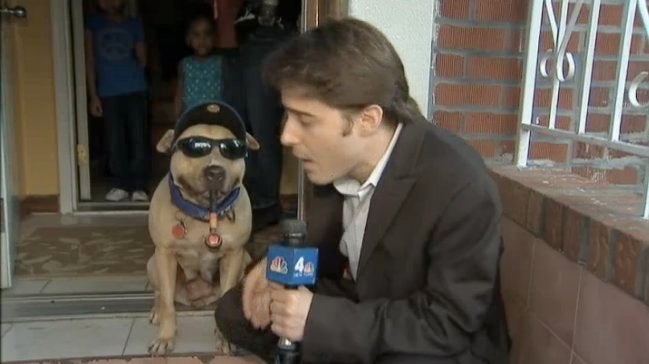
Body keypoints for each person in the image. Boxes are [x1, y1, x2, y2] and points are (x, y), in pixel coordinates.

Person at [214, 18, 510, 363]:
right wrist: (273, 268)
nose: (287, 136)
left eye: (305, 120)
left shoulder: (460, 185)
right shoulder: (333, 161)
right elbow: (318, 249)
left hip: (438, 339)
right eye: (287, 116)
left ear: (368, 119)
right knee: (238, 311)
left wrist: (317, 320)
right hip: (368, 302)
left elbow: (449, 323)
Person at [85, 0, 150, 202]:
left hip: (135, 88)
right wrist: (93, 94)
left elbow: (143, 58)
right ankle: (120, 183)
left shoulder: (134, 24)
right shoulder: (94, 25)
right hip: (108, 92)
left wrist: (139, 56)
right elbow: (89, 59)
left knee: (138, 138)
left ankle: (139, 185)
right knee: (114, 140)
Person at [174, 14, 226, 118]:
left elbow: (227, 93)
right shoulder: (184, 64)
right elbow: (180, 92)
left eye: (207, 34)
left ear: (214, 38)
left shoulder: (221, 62)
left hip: (215, 117)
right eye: (196, 35)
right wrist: (177, 118)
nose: (202, 40)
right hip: (190, 117)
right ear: (188, 39)